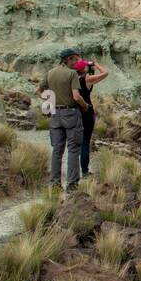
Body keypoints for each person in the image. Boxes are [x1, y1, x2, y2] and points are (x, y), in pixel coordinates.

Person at [36, 48, 90, 189]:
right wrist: (85, 106)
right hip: (71, 114)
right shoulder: (71, 74)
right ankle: (72, 185)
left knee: (57, 151)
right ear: (69, 59)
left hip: (55, 115)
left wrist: (49, 101)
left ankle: (55, 184)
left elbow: (38, 91)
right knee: (73, 149)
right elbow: (76, 96)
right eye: (75, 59)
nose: (77, 62)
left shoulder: (50, 73)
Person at [75, 55, 109, 178]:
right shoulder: (87, 79)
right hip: (87, 112)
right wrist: (96, 65)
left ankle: (73, 170)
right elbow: (105, 73)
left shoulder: (73, 78)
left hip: (75, 112)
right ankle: (84, 171)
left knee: (75, 143)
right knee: (85, 142)